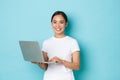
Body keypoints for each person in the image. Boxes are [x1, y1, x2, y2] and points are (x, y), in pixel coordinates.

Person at [32, 11, 80, 80]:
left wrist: (61, 61)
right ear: (51, 24)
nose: (57, 25)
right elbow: (45, 66)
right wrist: (38, 62)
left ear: (66, 24)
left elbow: (77, 66)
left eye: (61, 22)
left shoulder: (72, 42)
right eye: (55, 22)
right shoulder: (46, 43)